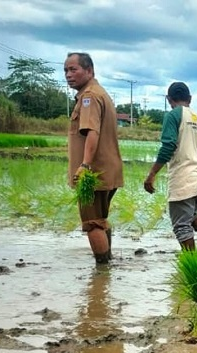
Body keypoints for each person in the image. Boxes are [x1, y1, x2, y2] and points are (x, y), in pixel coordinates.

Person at [143, 81, 197, 251]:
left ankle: (191, 263)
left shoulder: (172, 116)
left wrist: (152, 174)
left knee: (181, 225)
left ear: (168, 99)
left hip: (184, 177)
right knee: (189, 215)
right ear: (190, 99)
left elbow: (168, 145)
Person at [64, 51, 124, 265]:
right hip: (107, 171)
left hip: (93, 173)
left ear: (89, 71)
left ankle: (102, 274)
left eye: (73, 69)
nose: (68, 75)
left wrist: (84, 165)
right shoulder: (101, 93)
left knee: (91, 223)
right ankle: (107, 263)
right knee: (100, 220)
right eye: (66, 70)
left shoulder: (89, 96)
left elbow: (92, 132)